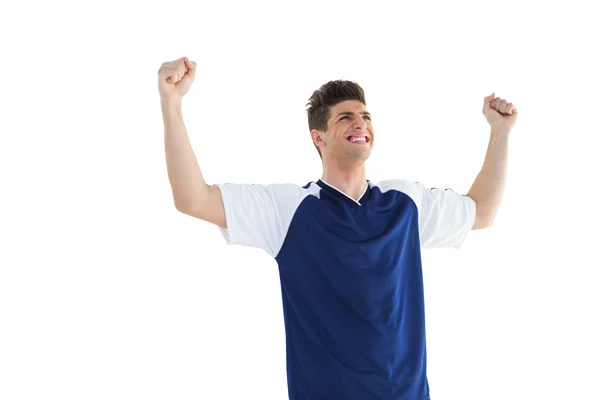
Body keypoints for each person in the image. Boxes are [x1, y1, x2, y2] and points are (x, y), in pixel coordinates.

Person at [158, 56, 517, 400]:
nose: (360, 123)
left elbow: (481, 212)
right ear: (319, 137)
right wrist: (171, 103)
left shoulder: (406, 203)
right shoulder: (287, 210)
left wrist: (500, 134)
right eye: (345, 117)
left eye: (365, 116)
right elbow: (193, 199)